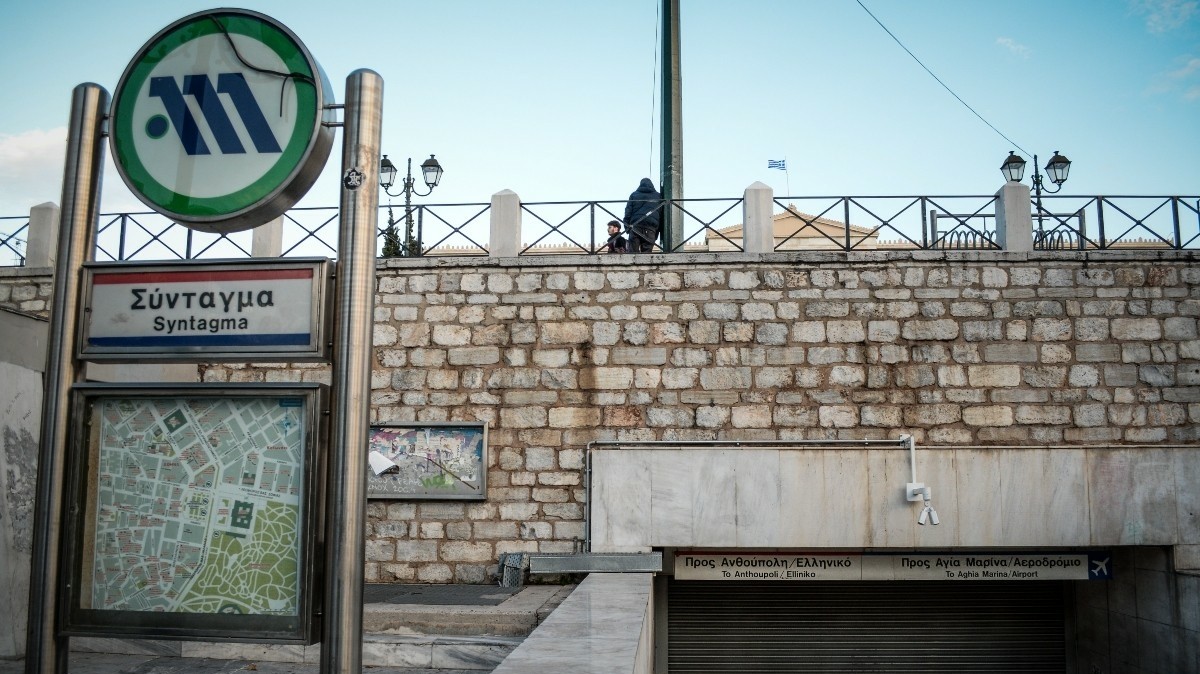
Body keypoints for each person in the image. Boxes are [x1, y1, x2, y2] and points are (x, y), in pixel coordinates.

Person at [624, 178, 662, 253]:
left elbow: (628, 211)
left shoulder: (634, 195)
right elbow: (660, 214)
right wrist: (656, 232)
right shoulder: (658, 196)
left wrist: (627, 227)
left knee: (633, 253)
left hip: (635, 226)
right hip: (650, 227)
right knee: (647, 254)